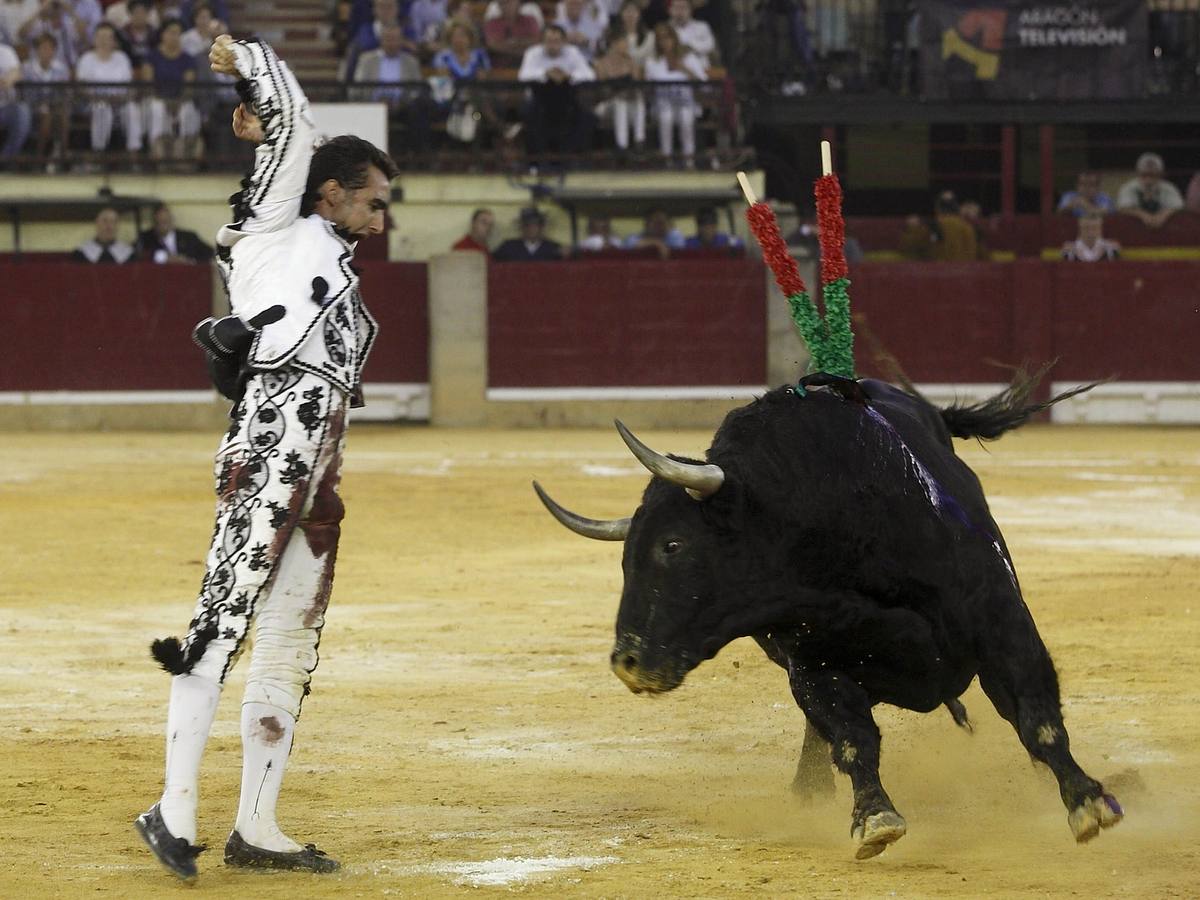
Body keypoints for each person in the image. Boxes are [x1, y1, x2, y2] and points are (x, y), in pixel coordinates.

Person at [133, 33, 399, 881]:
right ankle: (171, 812)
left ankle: (258, 826)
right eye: (374, 201)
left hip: (318, 469)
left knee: (288, 642)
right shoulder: (271, 227)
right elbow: (299, 115)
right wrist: (243, 55)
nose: (382, 216)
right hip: (271, 451)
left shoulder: (331, 267)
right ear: (330, 193)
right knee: (222, 621)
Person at [517, 24, 595, 162]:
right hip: (539, 101)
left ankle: (571, 159)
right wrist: (546, 73)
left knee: (587, 116)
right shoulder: (533, 53)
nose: (553, 45)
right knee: (528, 113)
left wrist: (569, 75)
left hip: (567, 101)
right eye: (549, 41)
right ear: (542, 41)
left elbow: (589, 75)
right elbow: (523, 75)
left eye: (557, 41)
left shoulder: (573, 52)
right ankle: (536, 160)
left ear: (564, 42)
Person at [75, 21, 144, 155]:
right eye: (100, 37)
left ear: (114, 41)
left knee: (132, 109)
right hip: (93, 103)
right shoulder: (86, 59)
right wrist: (99, 98)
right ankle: (99, 152)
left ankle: (133, 153)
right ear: (94, 39)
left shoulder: (122, 58)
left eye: (108, 37)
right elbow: (81, 87)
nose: (104, 41)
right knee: (102, 108)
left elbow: (129, 85)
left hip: (120, 102)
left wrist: (123, 98)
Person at [643, 22, 705, 166]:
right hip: (662, 105)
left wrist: (685, 70)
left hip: (686, 103)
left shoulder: (688, 58)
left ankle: (689, 160)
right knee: (666, 117)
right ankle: (667, 160)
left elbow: (702, 83)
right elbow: (648, 86)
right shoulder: (653, 61)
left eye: (667, 38)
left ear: (674, 39)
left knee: (685, 118)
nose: (665, 42)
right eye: (661, 39)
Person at [143, 17, 202, 160]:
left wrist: (178, 102)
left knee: (186, 110)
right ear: (162, 35)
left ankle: (180, 154)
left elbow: (189, 85)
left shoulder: (187, 59)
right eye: (170, 32)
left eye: (177, 33)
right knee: (158, 109)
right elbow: (148, 83)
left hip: (180, 100)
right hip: (157, 98)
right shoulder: (152, 57)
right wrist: (164, 101)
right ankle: (157, 153)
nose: (174, 36)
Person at [592, 22, 644, 155]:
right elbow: (602, 90)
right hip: (605, 105)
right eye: (623, 42)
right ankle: (622, 148)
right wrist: (617, 94)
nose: (626, 45)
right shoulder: (602, 63)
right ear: (614, 43)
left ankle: (639, 142)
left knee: (638, 101)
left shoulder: (631, 62)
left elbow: (637, 85)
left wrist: (628, 92)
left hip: (627, 102)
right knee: (620, 103)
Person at [20, 31, 69, 165]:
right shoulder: (26, 68)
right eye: (43, 47)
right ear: (36, 50)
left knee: (62, 114)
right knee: (46, 115)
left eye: (50, 48)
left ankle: (62, 158)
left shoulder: (61, 69)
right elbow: (24, 94)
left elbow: (64, 93)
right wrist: (41, 104)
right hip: (32, 108)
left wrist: (52, 103)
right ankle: (39, 158)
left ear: (54, 50)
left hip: (54, 106)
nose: (46, 51)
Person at [898, 190, 977, 262]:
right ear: (957, 208)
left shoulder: (932, 226)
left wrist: (912, 228)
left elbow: (908, 248)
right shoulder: (968, 228)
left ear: (937, 208)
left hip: (939, 273)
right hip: (964, 273)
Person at [1117, 152, 1183, 229]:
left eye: (1152, 175)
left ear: (1160, 174)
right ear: (1138, 173)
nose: (1148, 180)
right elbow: (1123, 207)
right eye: (1144, 175)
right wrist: (1143, 215)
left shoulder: (1169, 188)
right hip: (1134, 231)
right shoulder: (1128, 188)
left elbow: (1178, 207)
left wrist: (1163, 215)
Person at [136, 201, 213, 262]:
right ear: (154, 223)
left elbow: (209, 252)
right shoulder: (146, 238)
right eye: (159, 222)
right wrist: (164, 257)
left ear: (171, 221)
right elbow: (136, 254)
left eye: (165, 222)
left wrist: (190, 261)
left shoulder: (189, 237)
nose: (163, 226)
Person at [0, 35, 31, 162]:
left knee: (22, 111)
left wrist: (7, 80)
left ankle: (6, 159)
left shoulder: (6, 52)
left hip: (4, 107)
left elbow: (16, 73)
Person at [483, 0, 539, 69]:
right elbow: (493, 45)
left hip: (528, 65)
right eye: (503, 3)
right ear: (499, 6)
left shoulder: (530, 21)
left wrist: (511, 43)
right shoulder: (492, 23)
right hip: (500, 66)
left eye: (509, 2)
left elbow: (536, 42)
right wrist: (521, 47)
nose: (507, 6)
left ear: (518, 4)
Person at [492, 206, 563, 260]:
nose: (531, 228)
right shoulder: (508, 247)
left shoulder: (554, 248)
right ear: (521, 227)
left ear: (541, 227)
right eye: (527, 225)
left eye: (535, 224)